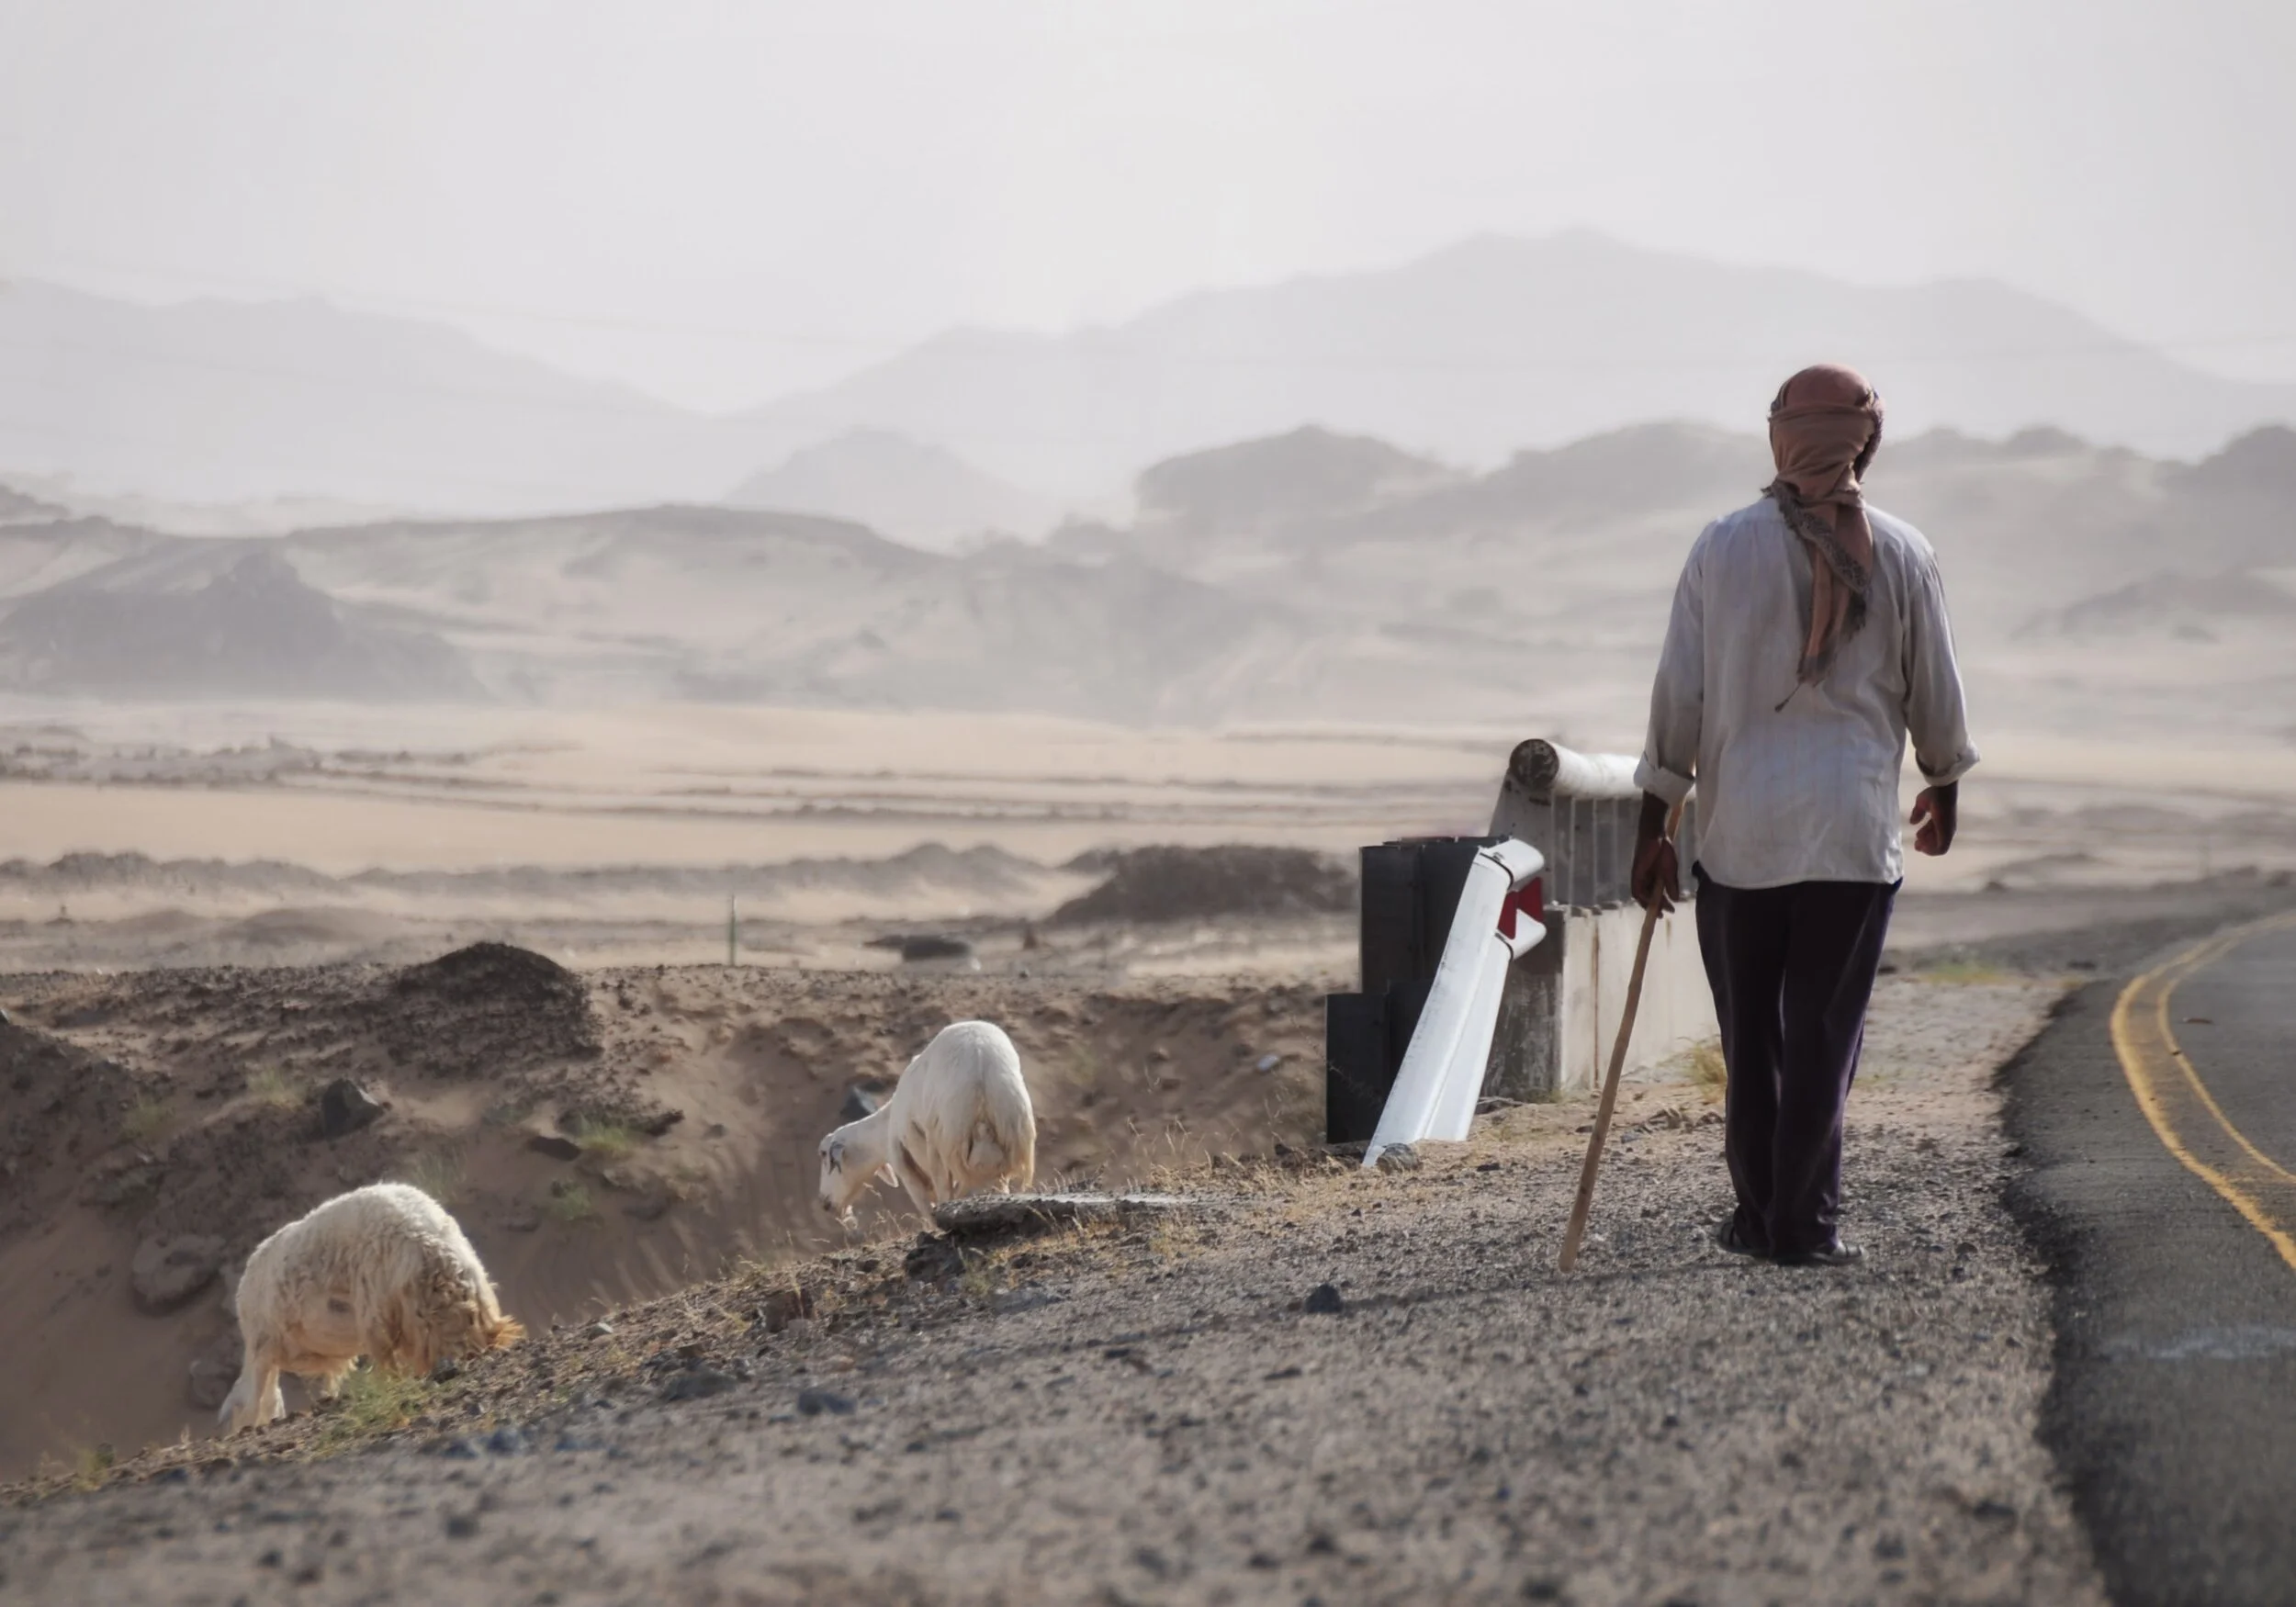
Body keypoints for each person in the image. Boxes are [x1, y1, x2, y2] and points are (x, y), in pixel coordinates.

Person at [1630, 363, 1976, 1267]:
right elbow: (1935, 689)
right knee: (1823, 1039)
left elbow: (1679, 694)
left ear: (1780, 438)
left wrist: (1653, 824)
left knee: (1752, 1040)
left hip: (1740, 843)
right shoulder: (1904, 551)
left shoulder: (1721, 547)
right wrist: (1943, 781)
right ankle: (1804, 1225)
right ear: (1865, 440)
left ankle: (1760, 1217)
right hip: (1851, 842)